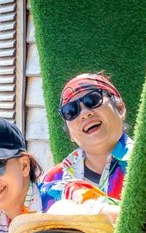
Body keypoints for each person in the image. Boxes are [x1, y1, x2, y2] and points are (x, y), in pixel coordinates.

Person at [40, 72, 131, 206]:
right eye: (71, 111)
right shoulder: (52, 179)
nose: (84, 113)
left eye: (93, 100)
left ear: (120, 108)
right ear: (70, 134)